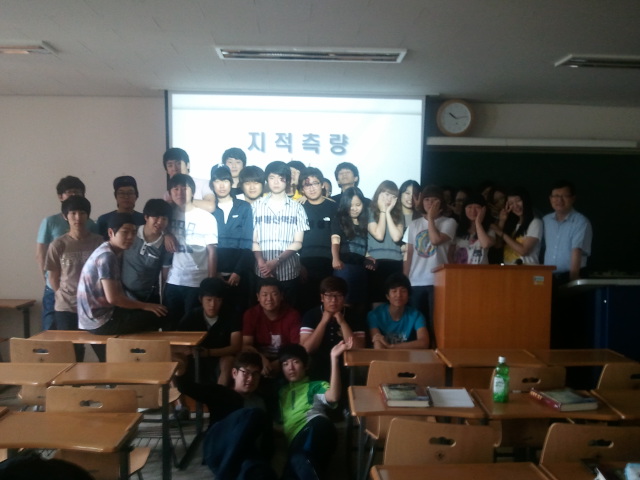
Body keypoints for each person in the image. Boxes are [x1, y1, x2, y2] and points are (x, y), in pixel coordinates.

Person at [77, 213, 167, 359]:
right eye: (125, 232)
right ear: (110, 233)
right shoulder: (107, 257)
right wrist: (145, 306)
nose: (130, 237)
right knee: (158, 315)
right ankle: (146, 359)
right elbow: (114, 299)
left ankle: (137, 356)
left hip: (97, 316)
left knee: (152, 312)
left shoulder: (109, 250)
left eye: (133, 233)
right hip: (100, 320)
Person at [278, 340, 351, 480]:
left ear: (306, 366)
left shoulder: (314, 386)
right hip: (295, 440)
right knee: (290, 474)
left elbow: (333, 396)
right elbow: (281, 424)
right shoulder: (282, 393)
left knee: (300, 459)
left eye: (295, 362)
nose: (290, 368)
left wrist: (334, 358)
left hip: (315, 427)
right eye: (285, 364)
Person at [198, 352, 277, 480]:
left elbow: (267, 437)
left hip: (247, 454)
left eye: (255, 374)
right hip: (219, 450)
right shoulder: (222, 394)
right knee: (253, 415)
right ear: (234, 373)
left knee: (263, 474)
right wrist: (180, 373)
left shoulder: (262, 400)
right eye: (246, 373)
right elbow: (188, 388)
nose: (250, 378)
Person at [44, 196, 103, 360]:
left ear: (88, 216)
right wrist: (61, 294)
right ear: (65, 216)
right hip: (66, 308)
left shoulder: (98, 242)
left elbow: (104, 273)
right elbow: (53, 277)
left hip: (94, 306)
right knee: (71, 353)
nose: (78, 217)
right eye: (73, 213)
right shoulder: (58, 244)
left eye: (82, 213)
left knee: (103, 350)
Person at [36, 175, 97, 331]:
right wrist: (48, 282)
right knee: (51, 330)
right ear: (60, 196)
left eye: (78, 192)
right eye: (70, 192)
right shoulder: (50, 222)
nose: (77, 218)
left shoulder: (91, 224)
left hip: (86, 293)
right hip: (56, 287)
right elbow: (41, 253)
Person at [403, 185, 457, 348]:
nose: (430, 203)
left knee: (436, 323)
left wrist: (431, 219)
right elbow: (408, 253)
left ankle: (435, 354)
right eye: (427, 199)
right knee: (417, 323)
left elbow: (435, 240)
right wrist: (405, 280)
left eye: (434, 200)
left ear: (441, 202)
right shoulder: (414, 224)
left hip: (438, 282)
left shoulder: (449, 222)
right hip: (416, 281)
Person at [163, 174, 218, 329]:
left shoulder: (206, 218)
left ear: (193, 191)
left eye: (184, 188)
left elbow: (212, 252)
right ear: (170, 193)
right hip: (174, 281)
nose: (180, 192)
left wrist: (210, 283)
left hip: (197, 282)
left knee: (192, 328)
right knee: (170, 327)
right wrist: (166, 234)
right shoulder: (167, 216)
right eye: (175, 189)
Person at [252, 161, 309, 306]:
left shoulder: (297, 208)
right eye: (272, 178)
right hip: (262, 272)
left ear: (288, 180)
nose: (276, 182)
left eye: (281, 178)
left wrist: (276, 261)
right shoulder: (256, 206)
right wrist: (262, 263)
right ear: (267, 180)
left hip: (289, 272)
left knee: (289, 312)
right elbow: (253, 240)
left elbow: (298, 242)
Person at [174, 277, 242, 388]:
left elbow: (236, 346)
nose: (213, 305)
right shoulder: (192, 315)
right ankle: (179, 396)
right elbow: (176, 340)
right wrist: (189, 350)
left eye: (217, 300)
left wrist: (209, 352)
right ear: (201, 299)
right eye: (209, 300)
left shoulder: (231, 315)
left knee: (229, 360)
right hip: (193, 358)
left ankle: (219, 394)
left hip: (219, 358)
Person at [300, 276, 365, 380]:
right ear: (322, 297)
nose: (333, 300)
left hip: (346, 365)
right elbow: (307, 349)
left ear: (344, 298)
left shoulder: (355, 316)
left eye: (338, 296)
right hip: (317, 365)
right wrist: (323, 322)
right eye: (329, 296)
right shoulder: (310, 315)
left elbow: (358, 350)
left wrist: (342, 323)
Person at [210, 165, 254, 312]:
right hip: (214, 273)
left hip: (239, 274)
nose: (222, 186)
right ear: (212, 185)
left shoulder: (244, 207)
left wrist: (237, 272)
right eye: (217, 181)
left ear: (231, 183)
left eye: (225, 181)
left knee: (239, 314)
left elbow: (247, 242)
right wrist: (214, 272)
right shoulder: (209, 209)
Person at [242, 278, 301, 378]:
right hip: (258, 359)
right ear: (258, 297)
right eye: (264, 295)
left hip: (285, 359)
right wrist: (261, 359)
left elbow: (296, 347)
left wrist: (280, 362)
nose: (269, 299)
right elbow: (246, 345)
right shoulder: (251, 314)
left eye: (274, 294)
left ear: (281, 296)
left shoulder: (293, 315)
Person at [298, 167, 337, 312]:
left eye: (315, 183)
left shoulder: (333, 206)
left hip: (328, 262)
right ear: (302, 189)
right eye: (307, 185)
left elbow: (337, 235)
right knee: (306, 304)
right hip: (304, 262)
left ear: (322, 185)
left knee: (328, 304)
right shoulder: (298, 207)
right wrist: (298, 264)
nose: (312, 188)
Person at [121, 199, 172, 303]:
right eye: (156, 217)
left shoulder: (165, 245)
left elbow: (165, 275)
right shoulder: (130, 233)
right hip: (122, 293)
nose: (160, 222)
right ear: (146, 217)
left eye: (164, 218)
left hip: (147, 298)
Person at [331, 187, 372, 316]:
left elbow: (365, 245)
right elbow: (335, 240)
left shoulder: (365, 222)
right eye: (350, 205)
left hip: (361, 269)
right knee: (344, 304)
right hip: (344, 268)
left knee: (361, 306)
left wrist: (369, 258)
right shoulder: (339, 219)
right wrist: (335, 258)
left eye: (358, 205)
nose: (354, 208)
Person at [543, 180, 592, 282]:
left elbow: (577, 250)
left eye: (565, 196)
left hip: (571, 276)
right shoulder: (545, 220)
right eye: (556, 196)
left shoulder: (580, 222)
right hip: (549, 277)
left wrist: (573, 280)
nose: (559, 200)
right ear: (550, 199)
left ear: (573, 198)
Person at [367, 180, 404, 306]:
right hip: (376, 263)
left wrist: (387, 212)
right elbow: (379, 235)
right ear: (379, 193)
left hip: (396, 263)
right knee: (377, 301)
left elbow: (396, 237)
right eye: (386, 194)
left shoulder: (399, 214)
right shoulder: (370, 211)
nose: (389, 199)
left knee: (395, 302)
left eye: (393, 196)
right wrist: (383, 211)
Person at [368, 273, 429, 349]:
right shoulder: (374, 315)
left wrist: (392, 347)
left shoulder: (416, 315)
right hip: (384, 355)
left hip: (408, 355)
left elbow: (424, 343)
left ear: (408, 296)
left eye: (403, 291)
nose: (399, 295)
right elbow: (377, 343)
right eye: (394, 291)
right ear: (387, 296)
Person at [491, 187, 543, 265]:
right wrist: (502, 221)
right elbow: (498, 245)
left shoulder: (535, 222)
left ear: (525, 200)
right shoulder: (513, 224)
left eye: (518, 201)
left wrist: (502, 234)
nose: (515, 205)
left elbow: (524, 251)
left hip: (527, 269)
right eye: (511, 203)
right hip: (508, 269)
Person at [162, 147, 215, 212]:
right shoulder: (168, 193)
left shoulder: (203, 184)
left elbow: (210, 206)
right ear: (167, 171)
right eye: (170, 165)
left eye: (179, 163)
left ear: (188, 165)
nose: (174, 168)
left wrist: (182, 200)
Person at [449, 193, 495, 265]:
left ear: (484, 209)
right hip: (460, 270)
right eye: (469, 207)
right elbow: (450, 254)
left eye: (477, 207)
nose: (473, 211)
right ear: (464, 209)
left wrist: (478, 223)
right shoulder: (458, 228)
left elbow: (486, 244)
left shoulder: (489, 229)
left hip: (481, 271)